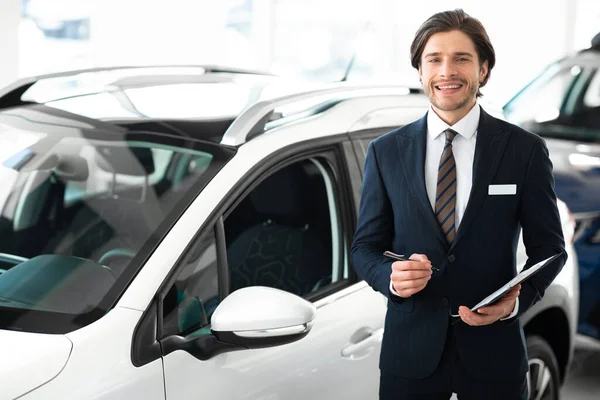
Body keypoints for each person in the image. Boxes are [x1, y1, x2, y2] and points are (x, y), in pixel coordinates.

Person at [351, 9, 567, 400]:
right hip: (410, 357)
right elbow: (364, 248)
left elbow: (550, 251)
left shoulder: (525, 151)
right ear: (420, 70)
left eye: (461, 59)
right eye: (434, 59)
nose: (446, 71)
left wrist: (514, 304)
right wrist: (390, 278)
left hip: (494, 357)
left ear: (483, 70)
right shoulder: (386, 152)